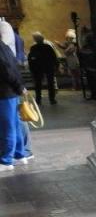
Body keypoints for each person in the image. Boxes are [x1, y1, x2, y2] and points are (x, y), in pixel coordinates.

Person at [0, 26, 28, 171]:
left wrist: (19, 87)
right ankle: (20, 155)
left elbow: (8, 71)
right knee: (14, 125)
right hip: (9, 92)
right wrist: (20, 87)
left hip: (4, 93)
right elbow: (13, 69)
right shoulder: (4, 47)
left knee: (7, 127)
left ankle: (6, 161)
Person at [28, 31, 59, 106]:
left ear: (35, 40)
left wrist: (31, 68)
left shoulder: (33, 48)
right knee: (50, 84)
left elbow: (31, 59)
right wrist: (56, 66)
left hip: (38, 68)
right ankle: (52, 99)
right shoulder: (48, 47)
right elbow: (54, 57)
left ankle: (38, 99)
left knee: (38, 84)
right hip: (49, 67)